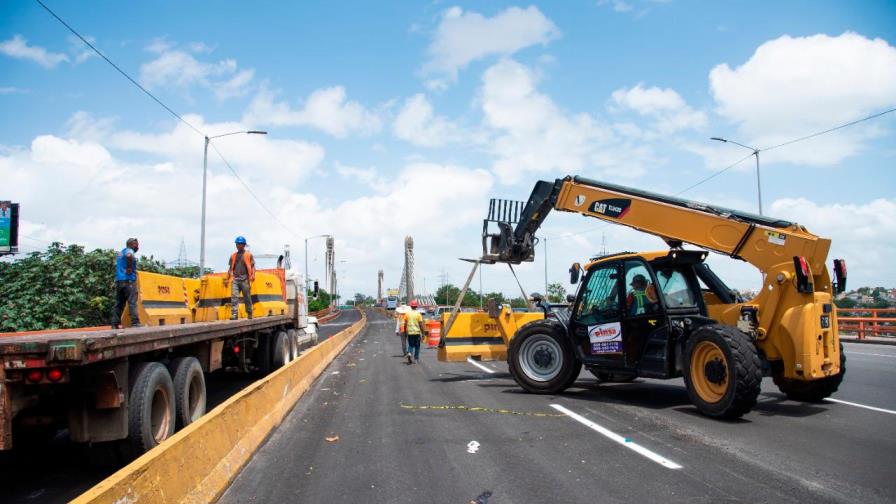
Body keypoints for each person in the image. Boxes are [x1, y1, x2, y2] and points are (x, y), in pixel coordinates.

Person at [111, 238, 141, 329]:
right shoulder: (129, 251)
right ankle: (135, 323)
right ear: (131, 244)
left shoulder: (120, 253)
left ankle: (115, 324)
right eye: (136, 245)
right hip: (129, 280)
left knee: (119, 303)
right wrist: (129, 267)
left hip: (119, 281)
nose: (137, 247)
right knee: (132, 302)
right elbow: (129, 256)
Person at [225, 236, 255, 320]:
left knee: (247, 297)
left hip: (245, 279)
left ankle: (249, 313)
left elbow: (252, 266)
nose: (237, 245)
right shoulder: (233, 255)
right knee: (234, 297)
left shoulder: (248, 255)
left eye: (239, 244)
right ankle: (234, 314)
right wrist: (227, 278)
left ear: (244, 245)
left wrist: (253, 275)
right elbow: (230, 268)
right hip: (235, 279)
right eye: (237, 244)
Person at [404, 300, 425, 364]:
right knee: (417, 346)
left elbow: (405, 324)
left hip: (410, 332)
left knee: (410, 345)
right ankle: (416, 359)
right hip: (417, 333)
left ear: (411, 306)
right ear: (416, 306)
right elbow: (421, 324)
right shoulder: (418, 314)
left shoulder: (407, 314)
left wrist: (405, 332)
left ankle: (409, 353)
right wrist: (423, 333)